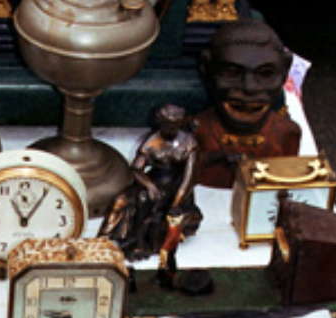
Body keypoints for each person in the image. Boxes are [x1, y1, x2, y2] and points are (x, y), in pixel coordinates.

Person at [193, 19, 301, 188]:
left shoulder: (287, 133)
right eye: (231, 73)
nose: (249, 87)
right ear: (207, 69)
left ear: (285, 71)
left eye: (266, 74)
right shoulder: (196, 131)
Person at [99, 104, 202, 262]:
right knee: (121, 201)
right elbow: (136, 169)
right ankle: (101, 241)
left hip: (176, 187)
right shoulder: (152, 142)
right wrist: (149, 185)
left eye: (174, 124)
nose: (170, 128)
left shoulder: (188, 143)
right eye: (166, 124)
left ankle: (140, 243)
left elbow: (188, 179)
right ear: (159, 123)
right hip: (153, 181)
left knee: (144, 203)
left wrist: (176, 203)